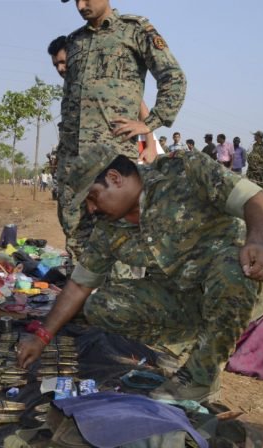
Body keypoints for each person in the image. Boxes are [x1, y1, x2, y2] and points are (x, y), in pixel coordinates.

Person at [17, 144, 263, 402]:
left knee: (232, 268)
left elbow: (255, 200)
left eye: (93, 197)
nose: (91, 209)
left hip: (241, 283)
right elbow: (78, 286)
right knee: (100, 306)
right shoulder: (108, 229)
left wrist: (257, 242)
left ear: (115, 178)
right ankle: (188, 349)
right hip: (186, 300)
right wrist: (42, 336)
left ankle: (202, 378)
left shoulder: (185, 170)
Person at [54, 0, 187, 263]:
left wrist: (152, 123)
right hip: (73, 163)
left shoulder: (134, 30)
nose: (81, 5)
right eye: (75, 1)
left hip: (112, 160)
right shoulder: (74, 42)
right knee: (77, 237)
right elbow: (70, 101)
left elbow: (173, 77)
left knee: (120, 238)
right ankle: (82, 288)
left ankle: (122, 290)